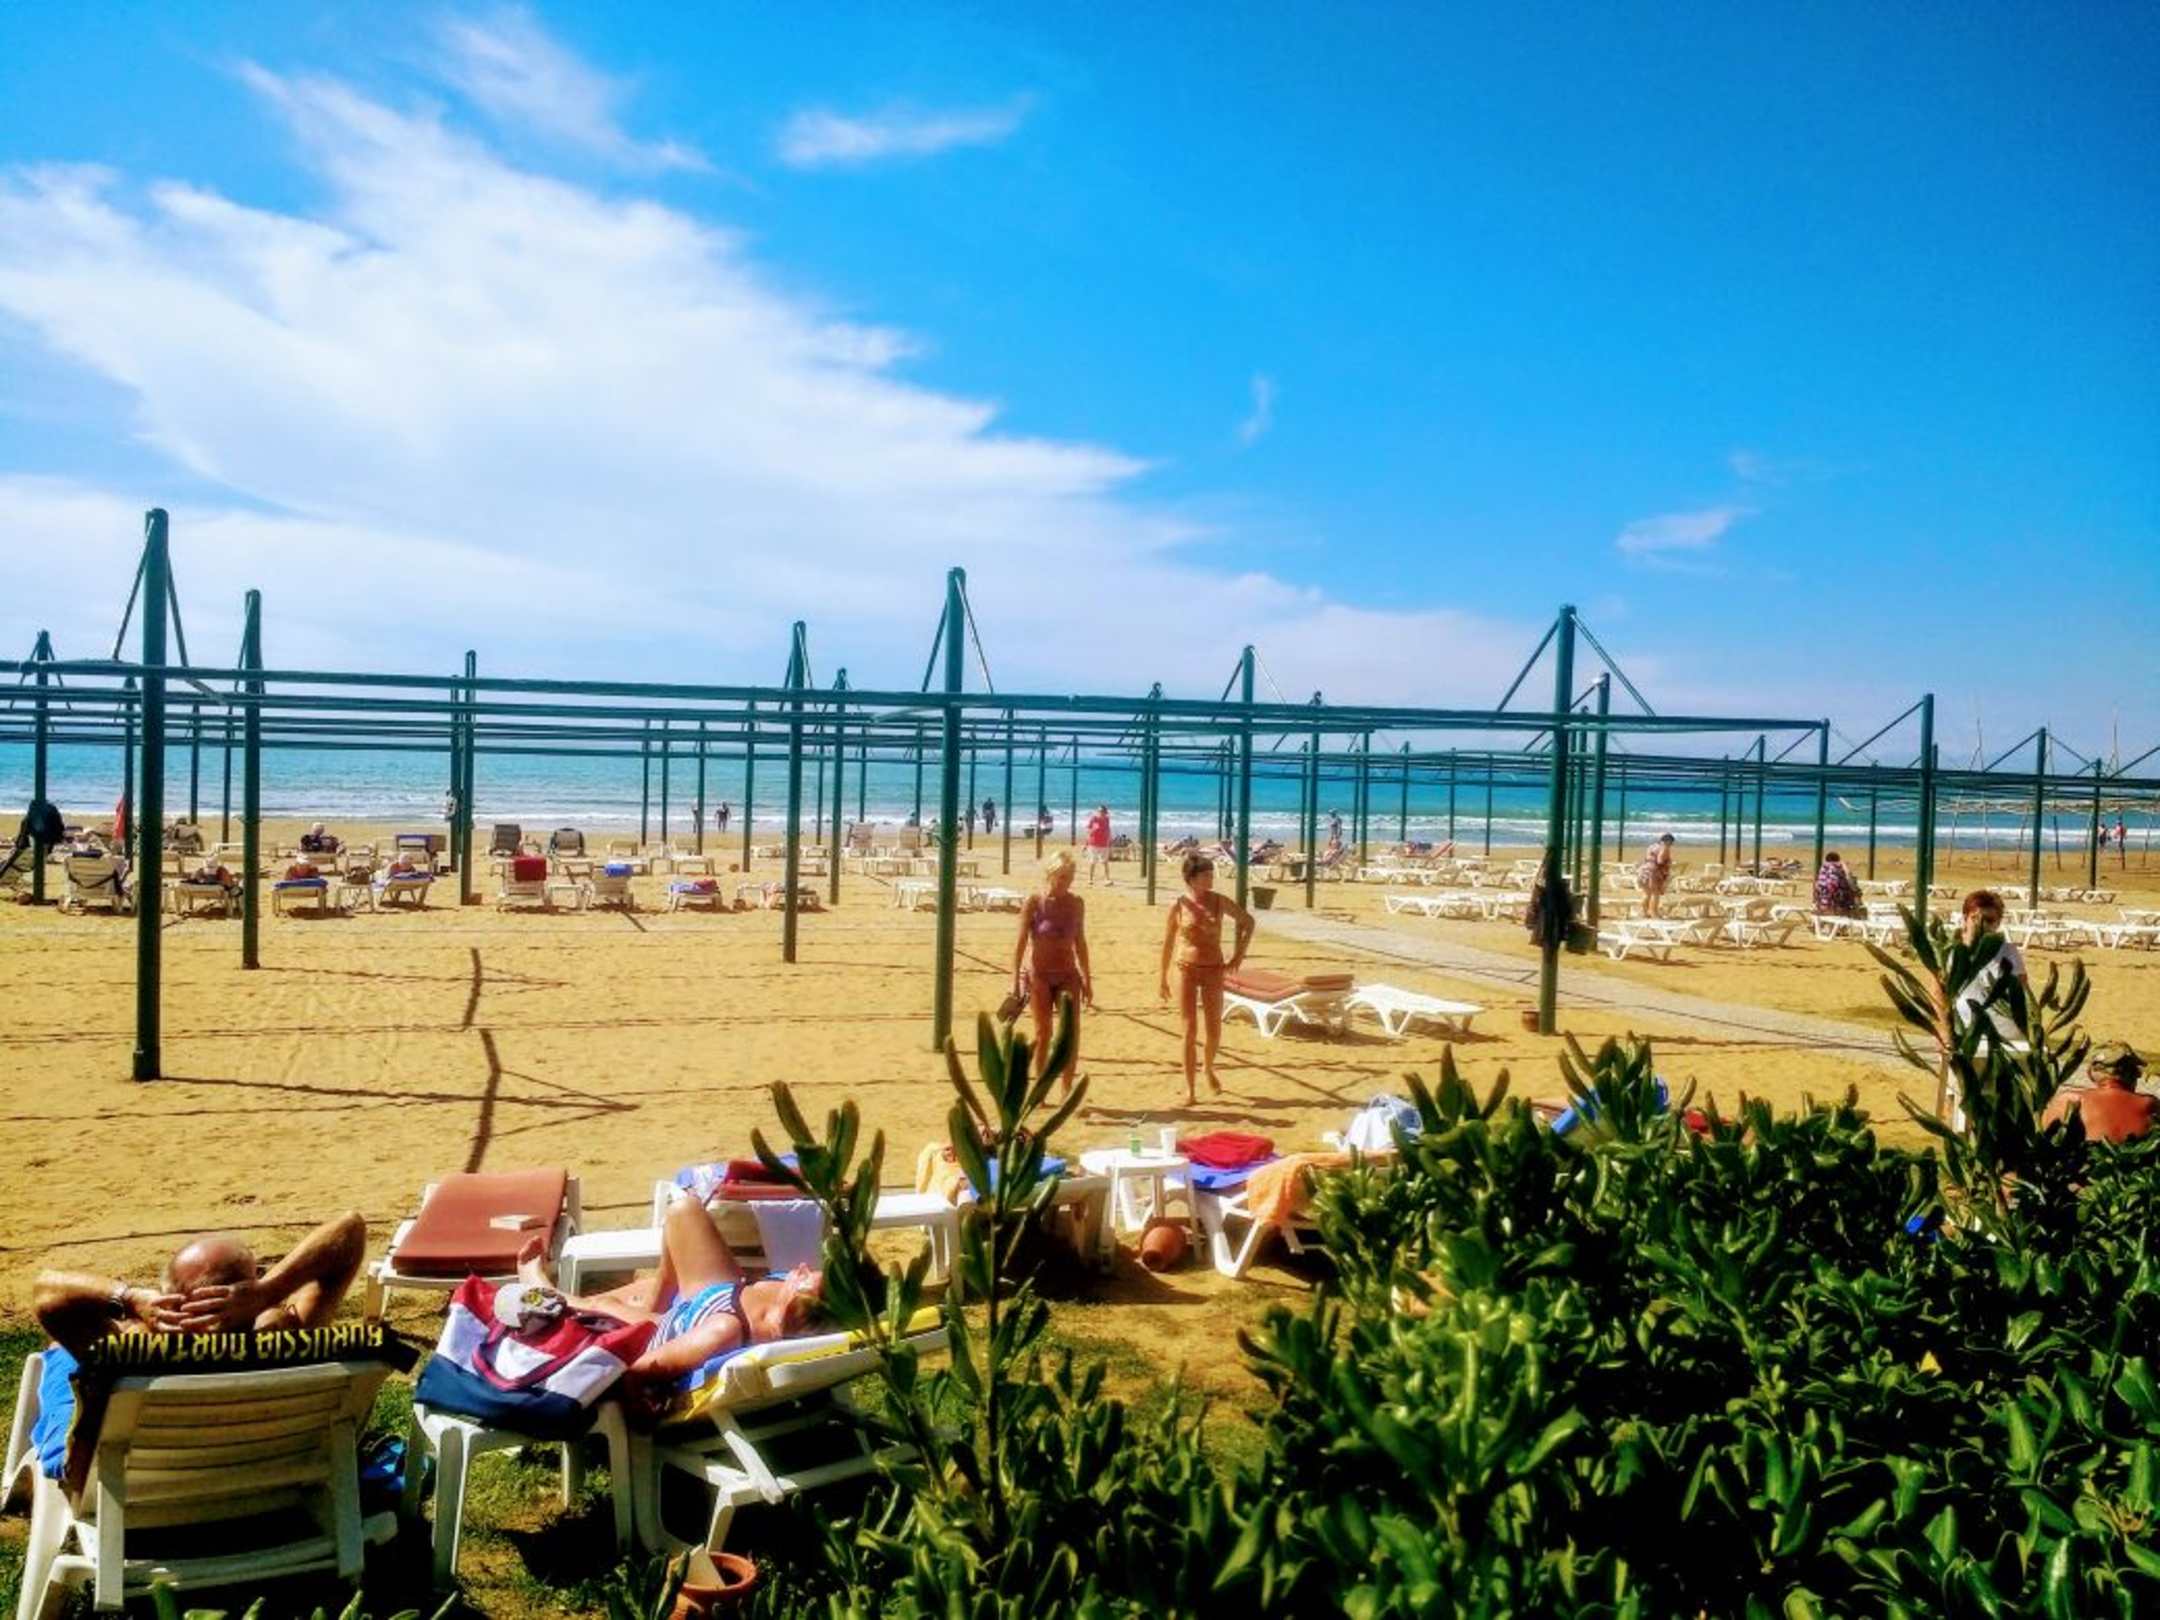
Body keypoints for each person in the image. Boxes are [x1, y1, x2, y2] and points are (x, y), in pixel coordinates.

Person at [28, 1213, 369, 1479]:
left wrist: (130, 1299)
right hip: (267, 1479)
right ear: (247, 1292)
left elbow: (46, 1294)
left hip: (136, 1492)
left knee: (61, 1349)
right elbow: (350, 1229)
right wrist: (269, 1291)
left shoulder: (135, 1358)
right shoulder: (290, 1344)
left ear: (169, 1300)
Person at [514, 1195, 821, 1413]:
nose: (803, 1268)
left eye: (805, 1278)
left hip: (665, 1334)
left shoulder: (723, 1331)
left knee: (602, 1304)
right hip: (715, 1300)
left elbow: (637, 1372)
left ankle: (541, 1289)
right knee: (684, 1210)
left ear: (797, 1306)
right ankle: (653, 1302)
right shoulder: (802, 1308)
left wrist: (640, 1412)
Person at [1158, 852, 1256, 1104]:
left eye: (1211, 874)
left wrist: (1239, 955)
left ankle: (1208, 1067)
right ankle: (1190, 1088)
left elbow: (1248, 922)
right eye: (1205, 875)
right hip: (1186, 968)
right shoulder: (1179, 905)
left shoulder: (1219, 901)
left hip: (1213, 969)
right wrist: (1162, 977)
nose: (1211, 879)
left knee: (1213, 1029)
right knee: (1189, 1030)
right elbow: (1168, 943)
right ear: (1191, 879)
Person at [1013, 850, 1093, 1089]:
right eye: (1062, 877)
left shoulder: (1076, 903)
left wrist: (1087, 978)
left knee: (1070, 1034)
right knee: (1043, 1033)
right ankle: (1041, 1088)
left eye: (1070, 877)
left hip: (1068, 974)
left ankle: (1067, 1089)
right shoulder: (1034, 903)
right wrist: (1014, 979)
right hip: (1039, 975)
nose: (1066, 882)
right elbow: (1020, 943)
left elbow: (1080, 942)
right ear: (1050, 875)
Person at [1954, 889, 2030, 1044]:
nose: (1982, 925)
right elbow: (1940, 998)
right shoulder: (1951, 953)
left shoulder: (2009, 953)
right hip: (1964, 1032)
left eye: (1989, 920)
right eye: (1975, 918)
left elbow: (2021, 994)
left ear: (1998, 923)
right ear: (1965, 918)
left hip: (2005, 1034)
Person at [2043, 1043, 2156, 1142]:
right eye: (2137, 1073)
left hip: (2081, 1159)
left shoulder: (2068, 1100)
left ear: (2091, 1073)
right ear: (2130, 1074)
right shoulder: (2149, 1104)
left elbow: (2043, 1138)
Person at [1812, 851, 1864, 918]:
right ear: (1838, 860)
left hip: (1822, 906)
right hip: (1838, 906)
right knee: (1855, 894)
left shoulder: (1823, 870)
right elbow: (1850, 879)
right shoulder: (1839, 867)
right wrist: (1843, 865)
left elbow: (1816, 888)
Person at [1637, 833, 1676, 916]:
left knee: (1647, 893)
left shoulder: (1652, 846)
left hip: (1644, 870)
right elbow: (1660, 860)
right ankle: (1654, 913)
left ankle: (1644, 912)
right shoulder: (1664, 848)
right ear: (1668, 841)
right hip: (1654, 872)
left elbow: (1647, 857)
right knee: (1655, 893)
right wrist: (1668, 864)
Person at [1084, 804, 1112, 884]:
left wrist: (1110, 839)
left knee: (1105, 862)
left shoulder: (1107, 819)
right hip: (1094, 843)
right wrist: (1086, 842)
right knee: (1092, 862)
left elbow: (1108, 829)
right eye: (1099, 811)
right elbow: (1088, 829)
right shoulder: (1094, 819)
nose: (1101, 813)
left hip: (1104, 844)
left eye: (1103, 811)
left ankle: (1107, 879)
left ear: (1105, 812)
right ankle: (1090, 879)